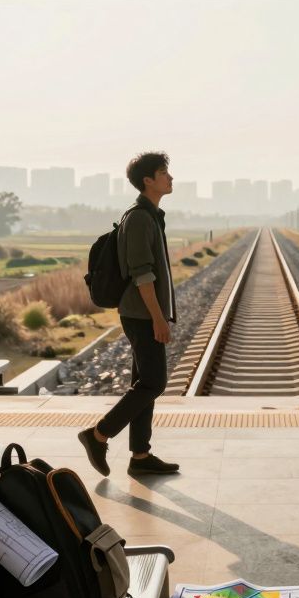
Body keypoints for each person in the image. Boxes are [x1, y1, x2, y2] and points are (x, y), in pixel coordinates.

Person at [78, 152, 180, 477]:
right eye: (164, 173)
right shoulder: (138, 219)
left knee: (142, 382)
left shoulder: (151, 215)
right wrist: (158, 318)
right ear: (148, 180)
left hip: (143, 313)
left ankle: (140, 456)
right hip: (141, 314)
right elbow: (142, 274)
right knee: (154, 382)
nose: (171, 178)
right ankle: (98, 435)